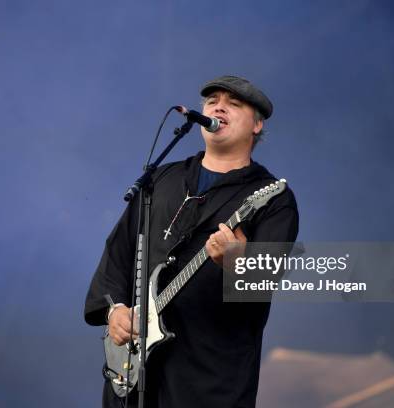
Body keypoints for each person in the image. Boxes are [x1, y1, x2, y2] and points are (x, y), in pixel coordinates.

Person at [84, 75, 299, 407]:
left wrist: (238, 261)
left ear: (257, 125)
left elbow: (268, 276)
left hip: (209, 376)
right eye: (212, 101)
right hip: (135, 372)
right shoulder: (160, 180)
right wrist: (115, 310)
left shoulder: (271, 198)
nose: (218, 107)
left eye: (234, 103)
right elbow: (119, 253)